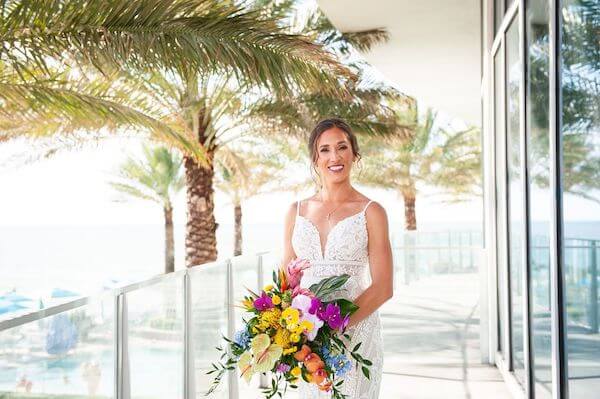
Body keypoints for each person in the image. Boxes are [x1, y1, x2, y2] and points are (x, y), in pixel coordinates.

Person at [282, 118, 394, 398]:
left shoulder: (372, 212)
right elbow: (285, 281)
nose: (335, 157)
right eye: (325, 150)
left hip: (356, 335)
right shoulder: (295, 211)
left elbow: (383, 287)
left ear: (355, 154)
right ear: (314, 158)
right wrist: (291, 333)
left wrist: (334, 327)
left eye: (342, 147)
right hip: (307, 343)